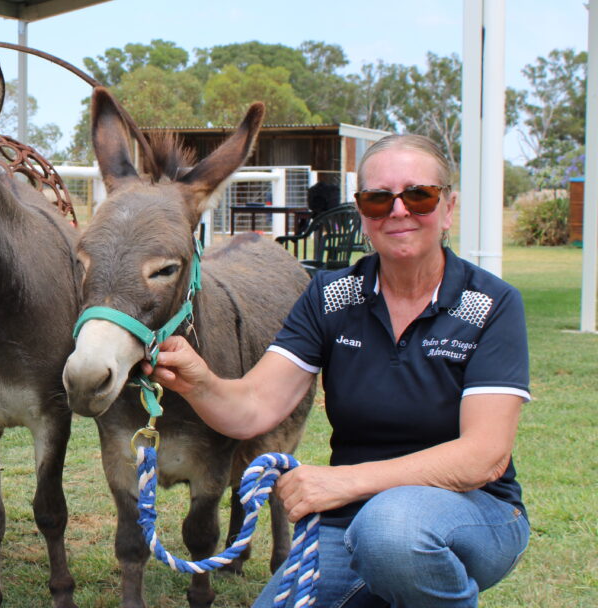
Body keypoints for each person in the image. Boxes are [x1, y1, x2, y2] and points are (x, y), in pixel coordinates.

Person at [145, 134, 530, 607]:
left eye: (419, 195)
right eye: (377, 199)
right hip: (356, 521)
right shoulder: (331, 296)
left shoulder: (490, 304)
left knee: (392, 529)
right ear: (362, 213)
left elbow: (483, 457)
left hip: (475, 511)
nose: (399, 211)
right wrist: (199, 383)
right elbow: (253, 408)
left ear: (448, 208)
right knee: (373, 538)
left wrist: (345, 481)